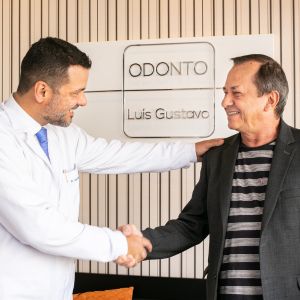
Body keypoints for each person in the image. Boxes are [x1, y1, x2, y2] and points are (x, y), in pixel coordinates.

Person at [0, 37, 223, 299]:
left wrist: (190, 151)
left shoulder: (64, 137)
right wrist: (120, 244)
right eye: (75, 92)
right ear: (42, 91)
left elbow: (122, 155)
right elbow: (40, 227)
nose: (82, 101)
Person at [120, 54, 300, 300]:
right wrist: (141, 241)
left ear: (270, 100)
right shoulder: (218, 155)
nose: (225, 102)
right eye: (225, 92)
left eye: (236, 93)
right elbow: (191, 225)